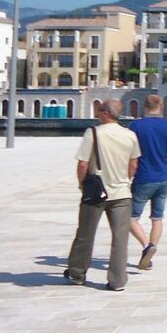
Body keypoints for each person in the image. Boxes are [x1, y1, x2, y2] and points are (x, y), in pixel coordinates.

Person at [64, 99, 140, 291]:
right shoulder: (130, 135)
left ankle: (77, 273)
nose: (97, 112)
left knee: (85, 234)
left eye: (99, 109)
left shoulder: (93, 133)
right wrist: (124, 180)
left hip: (96, 192)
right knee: (120, 238)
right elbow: (133, 164)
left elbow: (83, 164)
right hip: (122, 193)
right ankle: (117, 280)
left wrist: (82, 184)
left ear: (106, 113)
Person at [128, 94, 167, 271]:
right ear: (161, 107)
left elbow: (130, 154)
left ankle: (146, 246)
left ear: (144, 106)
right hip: (163, 177)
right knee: (157, 218)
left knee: (130, 218)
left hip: (143, 177)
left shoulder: (136, 126)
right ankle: (150, 252)